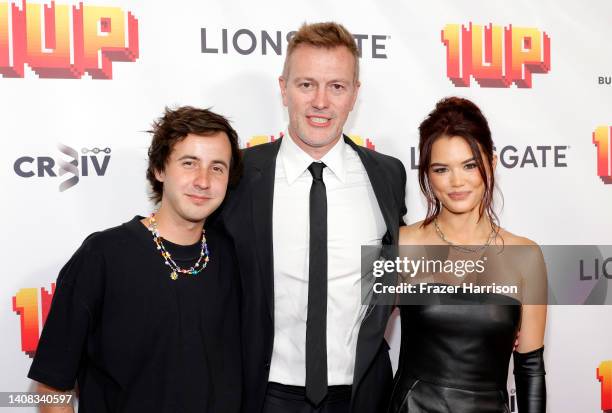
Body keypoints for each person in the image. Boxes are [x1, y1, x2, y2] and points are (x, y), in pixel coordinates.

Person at [221, 22, 407, 413]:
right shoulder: (239, 174)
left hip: (362, 396)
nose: (321, 101)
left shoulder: (387, 175)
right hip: (264, 395)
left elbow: (407, 267)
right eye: (306, 85)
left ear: (355, 94)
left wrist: (508, 289)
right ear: (283, 88)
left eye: (336, 86)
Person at [28, 107, 243, 413]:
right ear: (159, 169)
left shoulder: (236, 257)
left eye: (217, 168)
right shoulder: (103, 256)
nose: (203, 181)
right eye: (189, 163)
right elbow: (51, 386)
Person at [387, 97, 547, 413]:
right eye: (441, 169)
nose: (457, 181)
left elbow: (530, 372)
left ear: (492, 162)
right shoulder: (400, 245)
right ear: (428, 175)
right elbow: (359, 343)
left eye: (469, 165)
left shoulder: (526, 256)